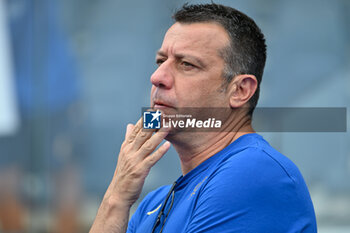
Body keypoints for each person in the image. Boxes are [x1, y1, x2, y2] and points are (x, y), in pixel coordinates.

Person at [90, 3, 317, 233]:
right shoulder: (153, 202)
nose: (157, 77)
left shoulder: (254, 173)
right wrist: (116, 199)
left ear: (240, 91)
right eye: (160, 62)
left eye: (187, 64)